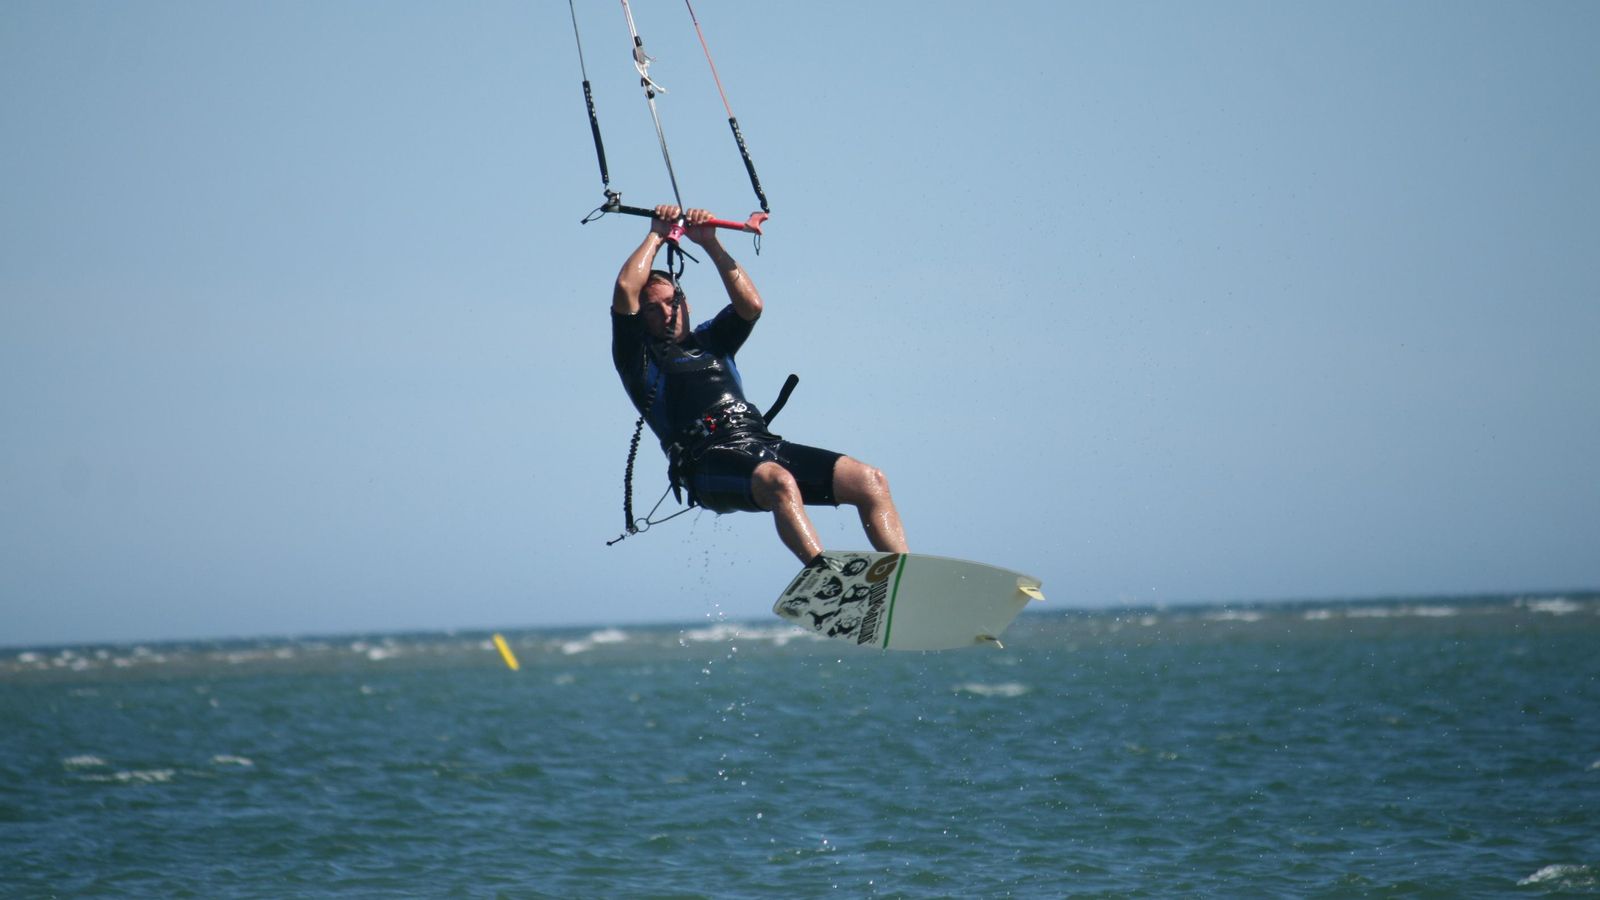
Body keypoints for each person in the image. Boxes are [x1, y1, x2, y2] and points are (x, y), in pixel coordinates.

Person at [611, 205, 908, 566]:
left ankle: (899, 579)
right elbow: (627, 287)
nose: (668, 313)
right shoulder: (638, 358)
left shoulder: (711, 339)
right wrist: (658, 233)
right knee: (779, 481)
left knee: (870, 480)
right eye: (653, 310)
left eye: (673, 302)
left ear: (685, 302)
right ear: (642, 321)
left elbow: (750, 305)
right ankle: (825, 579)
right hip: (704, 463)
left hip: (759, 444)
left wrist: (710, 244)